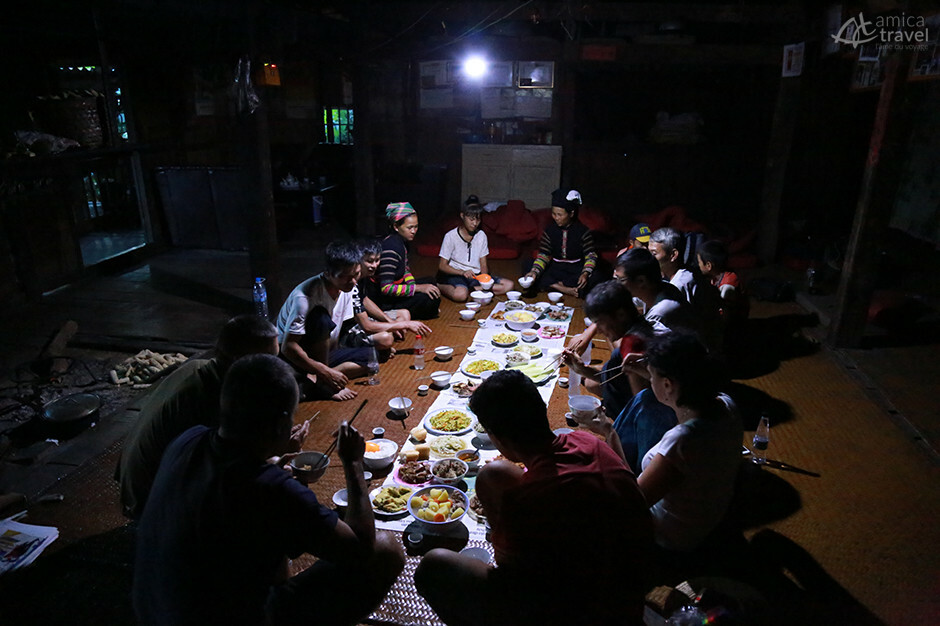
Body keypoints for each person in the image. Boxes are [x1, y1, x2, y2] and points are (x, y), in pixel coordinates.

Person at [133, 354, 404, 625]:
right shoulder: (272, 489)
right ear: (279, 424)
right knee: (385, 549)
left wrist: (271, 460)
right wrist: (353, 462)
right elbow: (360, 548)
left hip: (154, 610)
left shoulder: (186, 440)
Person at [414, 369, 653, 626]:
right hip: (632, 588)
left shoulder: (528, 500)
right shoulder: (589, 442)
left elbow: (514, 576)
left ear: (497, 438)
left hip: (581, 611)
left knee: (434, 567)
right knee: (493, 474)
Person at [116, 314, 280, 519]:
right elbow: (228, 467)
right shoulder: (212, 397)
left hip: (135, 485)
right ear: (240, 361)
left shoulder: (200, 367)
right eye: (270, 361)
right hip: (149, 501)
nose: (275, 369)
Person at [631, 331, 742, 554]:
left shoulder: (682, 441)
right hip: (709, 517)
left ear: (668, 385)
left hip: (671, 539)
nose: (648, 381)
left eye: (651, 377)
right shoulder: (725, 403)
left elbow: (633, 504)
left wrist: (608, 433)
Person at [276, 241, 371, 401]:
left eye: (356, 274)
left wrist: (327, 367)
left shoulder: (348, 287)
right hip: (295, 354)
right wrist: (324, 371)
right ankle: (323, 383)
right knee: (320, 317)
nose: (354, 282)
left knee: (371, 357)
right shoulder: (305, 297)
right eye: (344, 276)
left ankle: (313, 379)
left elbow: (335, 330)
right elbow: (288, 347)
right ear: (327, 273)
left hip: (322, 351)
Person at [562, 279, 655, 419]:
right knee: (590, 382)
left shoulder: (633, 345)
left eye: (599, 322)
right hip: (619, 410)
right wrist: (580, 369)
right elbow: (612, 382)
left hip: (627, 422)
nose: (598, 330)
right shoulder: (640, 328)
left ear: (621, 314)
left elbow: (641, 407)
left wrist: (608, 430)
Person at [338, 237, 433, 353]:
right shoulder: (351, 282)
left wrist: (390, 321)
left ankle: (381, 345)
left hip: (365, 319)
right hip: (349, 330)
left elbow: (365, 300)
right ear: (358, 260)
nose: (374, 265)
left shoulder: (363, 277)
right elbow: (367, 326)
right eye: (369, 261)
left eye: (377, 260)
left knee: (404, 313)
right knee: (386, 338)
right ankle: (377, 350)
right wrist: (403, 325)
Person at [648, 227, 723, 351]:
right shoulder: (673, 276)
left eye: (654, 254)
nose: (649, 258)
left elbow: (685, 324)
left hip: (700, 347)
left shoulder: (682, 282)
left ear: (673, 255)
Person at [522, 188, 600, 299]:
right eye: (554, 214)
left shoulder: (583, 231)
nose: (556, 218)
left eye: (560, 215)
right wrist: (534, 272)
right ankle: (564, 288)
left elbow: (591, 256)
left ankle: (553, 286)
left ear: (571, 213)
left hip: (575, 269)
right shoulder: (549, 231)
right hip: (556, 267)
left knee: (597, 276)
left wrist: (585, 273)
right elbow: (544, 255)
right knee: (528, 265)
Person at [437, 195, 513, 301]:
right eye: (471, 219)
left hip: (476, 276)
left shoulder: (481, 235)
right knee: (460, 295)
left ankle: (472, 289)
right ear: (462, 216)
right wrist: (462, 272)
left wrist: (485, 279)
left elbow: (483, 264)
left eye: (477, 219)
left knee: (509, 285)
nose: (475, 223)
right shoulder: (450, 236)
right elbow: (442, 266)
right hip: (457, 274)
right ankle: (439, 286)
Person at [615, 248, 701, 337]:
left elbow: (629, 349)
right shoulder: (663, 288)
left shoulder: (660, 312)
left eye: (621, 280)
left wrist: (610, 326)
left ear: (641, 281)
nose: (617, 284)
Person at [376, 202, 440, 320]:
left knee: (430, 282)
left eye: (416, 227)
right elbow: (386, 288)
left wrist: (414, 286)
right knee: (427, 298)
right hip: (386, 301)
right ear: (396, 226)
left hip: (398, 289)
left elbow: (405, 270)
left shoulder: (403, 242)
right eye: (410, 227)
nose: (414, 231)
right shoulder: (391, 248)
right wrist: (418, 289)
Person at [697, 239, 750, 326]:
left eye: (699, 262)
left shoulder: (728, 285)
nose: (698, 265)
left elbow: (725, 316)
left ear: (708, 266)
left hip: (735, 326)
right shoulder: (717, 275)